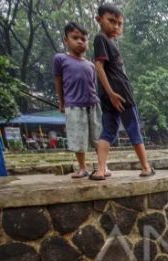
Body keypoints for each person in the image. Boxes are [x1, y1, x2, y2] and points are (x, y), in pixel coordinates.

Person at [92, 3, 154, 180]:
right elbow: (98, 66)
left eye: (119, 23)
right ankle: (146, 167)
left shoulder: (110, 42)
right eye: (111, 21)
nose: (116, 26)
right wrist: (111, 92)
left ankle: (101, 169)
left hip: (109, 96)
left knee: (108, 132)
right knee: (134, 129)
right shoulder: (101, 39)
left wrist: (108, 93)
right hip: (120, 95)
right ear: (99, 19)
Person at [53, 22, 102, 178]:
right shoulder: (60, 59)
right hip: (73, 105)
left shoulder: (90, 64)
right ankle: (82, 167)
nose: (80, 41)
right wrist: (61, 102)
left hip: (93, 104)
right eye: (75, 38)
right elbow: (58, 82)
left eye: (83, 39)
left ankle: (103, 166)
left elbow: (94, 85)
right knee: (77, 138)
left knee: (99, 137)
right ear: (66, 40)